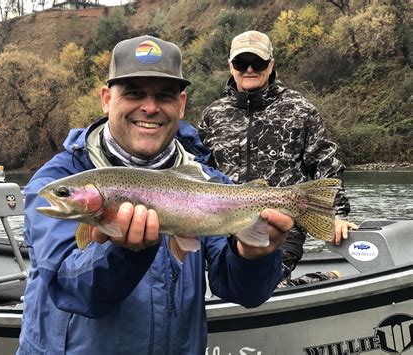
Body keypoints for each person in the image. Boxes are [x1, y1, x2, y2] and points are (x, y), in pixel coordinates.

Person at [17, 35, 293, 354]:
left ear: (182, 104)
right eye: (134, 93)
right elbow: (73, 289)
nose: (149, 108)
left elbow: (244, 292)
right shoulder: (55, 180)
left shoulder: (207, 183)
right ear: (107, 98)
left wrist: (254, 256)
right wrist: (124, 252)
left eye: (164, 95)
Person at [198, 30, 358, 285]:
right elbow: (201, 170)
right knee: (217, 283)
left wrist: (337, 214)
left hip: (283, 228)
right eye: (241, 63)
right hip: (222, 226)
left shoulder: (300, 109)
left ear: (271, 64)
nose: (249, 69)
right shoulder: (212, 115)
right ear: (230, 66)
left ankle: (319, 279)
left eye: (258, 63)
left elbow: (325, 162)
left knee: (263, 284)